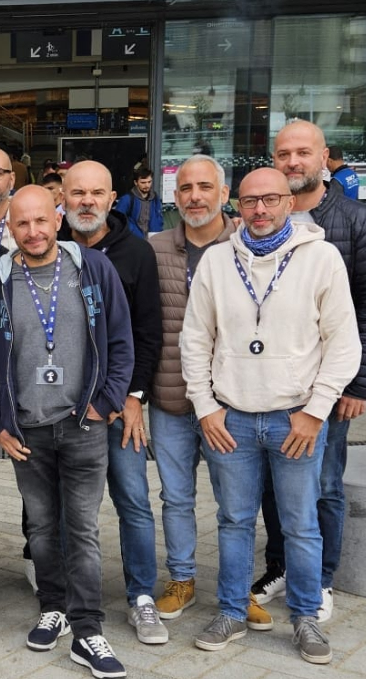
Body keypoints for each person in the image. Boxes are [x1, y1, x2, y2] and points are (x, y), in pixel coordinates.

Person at [182, 167, 361, 664]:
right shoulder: (218, 261)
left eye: (271, 200)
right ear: (236, 205)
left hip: (295, 419)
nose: (259, 210)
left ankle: (305, 617)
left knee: (301, 525)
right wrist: (206, 406)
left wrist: (317, 410)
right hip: (231, 420)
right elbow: (194, 340)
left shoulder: (321, 258)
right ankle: (233, 612)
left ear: (290, 202)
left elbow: (343, 343)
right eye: (249, 202)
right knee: (233, 521)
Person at [0, 185, 133, 679]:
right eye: (23, 224)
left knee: (81, 527)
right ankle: (53, 606)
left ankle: (87, 630)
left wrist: (107, 402)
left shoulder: (93, 269)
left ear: (57, 219)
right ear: (10, 228)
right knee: (40, 527)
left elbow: (120, 340)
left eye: (41, 221)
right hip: (26, 431)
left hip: (82, 424)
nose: (33, 232)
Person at [253, 120, 366, 623]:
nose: (293, 162)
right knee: (273, 483)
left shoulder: (358, 223)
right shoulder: (264, 220)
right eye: (284, 153)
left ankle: (322, 577)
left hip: (330, 388)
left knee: (326, 485)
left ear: (324, 157)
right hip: (272, 385)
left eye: (303, 153)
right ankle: (280, 566)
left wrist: (361, 384)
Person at [148, 155, 274, 629]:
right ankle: (181, 579)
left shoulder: (250, 247)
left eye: (205, 187)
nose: (194, 196)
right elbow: (145, 329)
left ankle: (238, 590)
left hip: (230, 404)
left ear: (225, 195)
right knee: (175, 497)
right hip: (171, 398)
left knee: (235, 505)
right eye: (185, 188)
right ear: (174, 196)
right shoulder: (155, 247)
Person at [61, 160, 165, 644]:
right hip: (61, 409)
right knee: (67, 507)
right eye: (77, 192)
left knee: (133, 501)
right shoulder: (43, 247)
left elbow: (148, 333)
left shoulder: (136, 253)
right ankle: (66, 596)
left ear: (110, 198)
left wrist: (133, 397)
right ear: (61, 195)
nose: (86, 201)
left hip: (118, 408)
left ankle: (141, 596)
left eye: (96, 193)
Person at [114, 167, 164, 239]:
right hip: (134, 240)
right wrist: (131, 232)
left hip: (153, 238)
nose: (147, 185)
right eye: (143, 182)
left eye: (149, 182)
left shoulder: (155, 197)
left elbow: (159, 217)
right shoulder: (127, 199)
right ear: (135, 182)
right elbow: (118, 220)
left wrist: (157, 231)